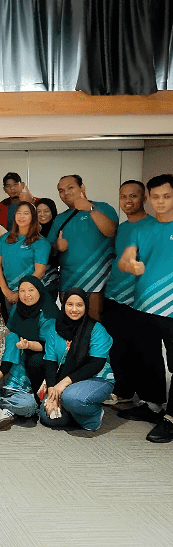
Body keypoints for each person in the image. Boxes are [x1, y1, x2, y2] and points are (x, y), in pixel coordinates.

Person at [118, 174, 173, 443]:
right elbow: (125, 259)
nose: (160, 202)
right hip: (143, 306)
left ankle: (171, 419)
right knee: (147, 358)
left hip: (171, 310)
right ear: (149, 199)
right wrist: (130, 264)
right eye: (156, 197)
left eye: (167, 196)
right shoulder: (143, 228)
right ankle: (153, 405)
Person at [100, 181, 151, 408]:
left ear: (144, 198)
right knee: (118, 347)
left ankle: (151, 399)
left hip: (139, 300)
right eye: (123, 196)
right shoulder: (121, 228)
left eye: (133, 196)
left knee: (142, 350)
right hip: (113, 295)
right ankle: (123, 392)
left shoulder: (153, 227)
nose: (128, 201)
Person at [40, 290, 114, 431]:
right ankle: (75, 410)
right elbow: (50, 362)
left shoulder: (96, 329)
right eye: (70, 304)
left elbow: (96, 364)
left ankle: (94, 416)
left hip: (97, 378)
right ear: (63, 305)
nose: (74, 309)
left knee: (71, 398)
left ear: (86, 306)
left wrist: (63, 384)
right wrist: (51, 391)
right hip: (64, 378)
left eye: (79, 305)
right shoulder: (54, 329)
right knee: (48, 417)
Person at [48, 175, 118, 321]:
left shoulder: (103, 208)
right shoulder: (60, 219)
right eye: (61, 190)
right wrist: (57, 247)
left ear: (82, 188)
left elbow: (112, 231)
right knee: (71, 325)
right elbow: (49, 249)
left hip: (100, 282)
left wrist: (90, 208)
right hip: (68, 282)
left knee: (96, 325)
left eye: (70, 187)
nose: (65, 193)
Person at [6, 276, 60, 403]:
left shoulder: (47, 312)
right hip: (20, 348)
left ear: (39, 291)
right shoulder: (16, 308)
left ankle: (37, 399)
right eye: (22, 291)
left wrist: (28, 345)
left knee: (35, 361)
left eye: (31, 290)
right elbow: (9, 331)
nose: (26, 295)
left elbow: (47, 345)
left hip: (43, 352)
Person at [0, 202, 50, 305]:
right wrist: (5, 290)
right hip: (9, 292)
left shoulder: (41, 242)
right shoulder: (4, 238)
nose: (21, 216)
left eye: (26, 213)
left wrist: (20, 293)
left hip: (31, 293)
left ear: (33, 217)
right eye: (19, 213)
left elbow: (40, 272)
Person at [35, 198, 61, 300]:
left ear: (52, 212)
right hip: (33, 275)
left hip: (51, 277)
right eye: (38, 211)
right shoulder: (31, 231)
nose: (42, 214)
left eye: (46, 211)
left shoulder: (59, 230)